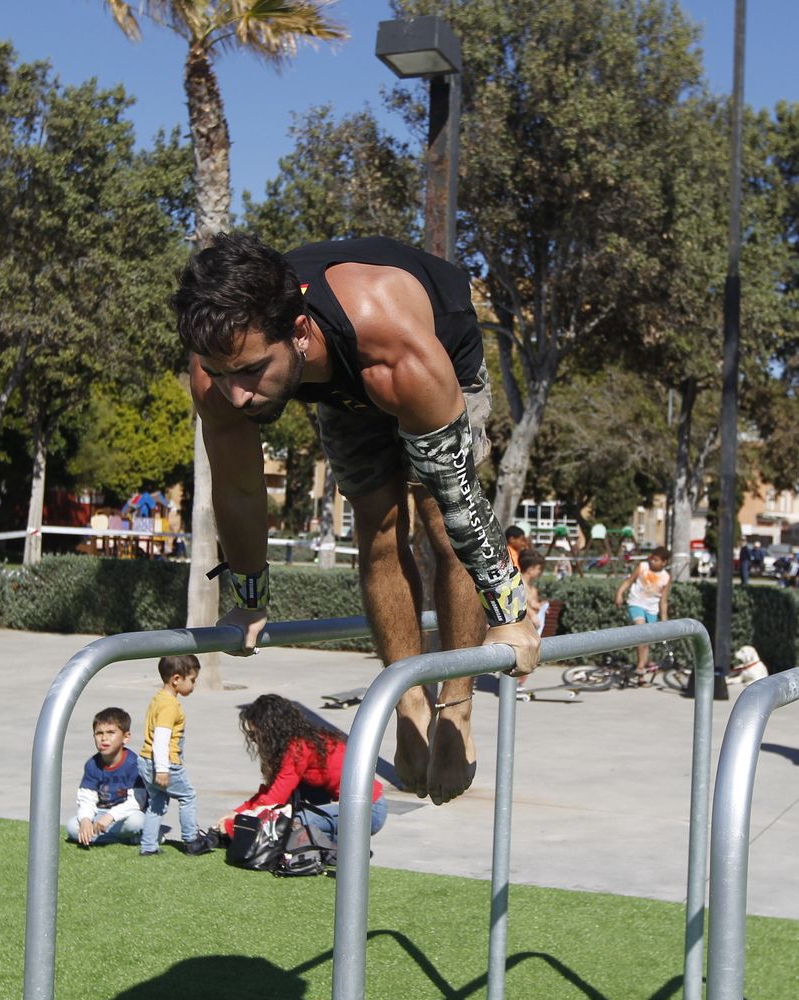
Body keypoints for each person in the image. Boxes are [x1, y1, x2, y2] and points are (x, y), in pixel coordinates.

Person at [173, 232, 540, 806]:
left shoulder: (395, 347)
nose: (237, 395)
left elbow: (458, 499)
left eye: (250, 372)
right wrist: (249, 597)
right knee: (377, 528)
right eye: (223, 375)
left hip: (427, 355)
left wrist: (511, 613)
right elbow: (240, 489)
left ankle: (455, 707)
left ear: (298, 332)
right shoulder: (218, 367)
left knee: (438, 523)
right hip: (337, 383)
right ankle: (410, 703)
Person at [217, 693, 388, 847]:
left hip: (367, 811)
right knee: (290, 812)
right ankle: (338, 847)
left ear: (271, 731)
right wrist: (237, 813)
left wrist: (236, 822)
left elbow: (274, 799)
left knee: (290, 823)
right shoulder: (302, 740)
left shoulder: (298, 749)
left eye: (256, 735)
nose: (254, 741)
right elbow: (272, 791)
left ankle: (341, 849)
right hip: (356, 807)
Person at [138, 654, 215, 856]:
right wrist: (163, 769)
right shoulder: (169, 706)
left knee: (157, 802)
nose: (194, 685)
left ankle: (148, 846)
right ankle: (192, 840)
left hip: (145, 760)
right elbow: (161, 738)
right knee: (188, 796)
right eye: (192, 680)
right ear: (176, 679)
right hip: (164, 763)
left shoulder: (158, 699)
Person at [65, 707, 147, 847]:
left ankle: (103, 837)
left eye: (111, 732)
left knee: (137, 822)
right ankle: (127, 838)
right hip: (100, 813)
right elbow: (87, 798)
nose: (104, 738)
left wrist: (110, 817)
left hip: (126, 814)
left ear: (126, 737)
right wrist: (85, 820)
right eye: (99, 733)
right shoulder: (92, 764)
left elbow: (137, 802)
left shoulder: (134, 764)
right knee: (72, 827)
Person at [614, 546, 672, 684]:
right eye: (651, 558)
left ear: (664, 562)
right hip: (636, 603)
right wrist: (619, 594)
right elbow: (629, 581)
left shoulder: (666, 577)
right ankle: (640, 666)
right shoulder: (642, 567)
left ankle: (641, 676)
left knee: (646, 641)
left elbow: (663, 601)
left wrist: (665, 621)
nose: (652, 561)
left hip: (652, 609)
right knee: (641, 631)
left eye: (656, 560)